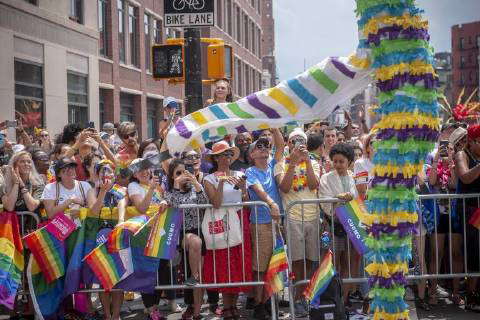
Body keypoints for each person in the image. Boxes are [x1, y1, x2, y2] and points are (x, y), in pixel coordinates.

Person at [203, 141, 252, 320]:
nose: (227, 158)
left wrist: (244, 188)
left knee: (239, 263)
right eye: (224, 154)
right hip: (221, 223)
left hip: (239, 221)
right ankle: (226, 306)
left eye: (230, 154)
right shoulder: (209, 179)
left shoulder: (240, 174)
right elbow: (215, 202)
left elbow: (245, 200)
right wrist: (222, 182)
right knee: (224, 262)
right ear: (216, 158)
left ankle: (234, 306)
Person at [275, 128, 320, 317]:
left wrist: (307, 160)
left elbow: (314, 184)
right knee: (297, 262)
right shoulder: (280, 164)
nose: (298, 144)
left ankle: (310, 297)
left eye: (301, 140)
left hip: (312, 216)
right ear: (288, 143)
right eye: (294, 141)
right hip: (293, 218)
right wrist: (292, 163)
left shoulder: (315, 162)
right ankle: (299, 299)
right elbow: (284, 188)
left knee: (312, 261)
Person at [245, 128, 284, 319]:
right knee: (260, 267)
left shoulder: (272, 165)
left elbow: (281, 146)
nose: (264, 149)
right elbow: (258, 189)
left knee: (274, 265)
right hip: (261, 224)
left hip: (277, 223)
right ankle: (259, 304)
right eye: (259, 147)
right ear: (252, 154)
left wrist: (274, 126)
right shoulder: (250, 171)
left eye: (266, 146)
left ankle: (270, 302)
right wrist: (271, 203)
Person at [163, 158, 208, 320]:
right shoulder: (169, 191)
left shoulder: (196, 188)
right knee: (195, 241)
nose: (182, 176)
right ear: (172, 176)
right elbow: (173, 205)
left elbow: (205, 203)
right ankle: (193, 277)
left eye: (184, 172)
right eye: (178, 173)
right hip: (180, 233)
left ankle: (196, 313)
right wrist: (176, 185)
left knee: (199, 277)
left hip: (198, 230)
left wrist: (196, 182)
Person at [127, 159, 170, 320]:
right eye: (139, 170)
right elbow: (142, 208)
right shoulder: (133, 186)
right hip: (143, 235)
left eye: (146, 168)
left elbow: (164, 201)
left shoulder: (158, 184)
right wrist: (151, 189)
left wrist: (165, 200)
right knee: (147, 271)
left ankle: (155, 308)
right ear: (134, 173)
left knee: (161, 271)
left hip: (161, 232)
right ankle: (151, 309)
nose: (144, 172)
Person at [318, 143, 358, 309]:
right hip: (333, 225)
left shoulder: (353, 177)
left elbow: (358, 197)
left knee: (348, 262)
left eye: (342, 161)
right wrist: (338, 199)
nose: (338, 165)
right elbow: (324, 200)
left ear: (349, 162)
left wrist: (350, 198)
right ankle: (333, 297)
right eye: (335, 161)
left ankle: (346, 297)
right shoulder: (326, 178)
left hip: (352, 225)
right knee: (333, 263)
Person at [86, 160, 127, 320]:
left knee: (118, 280)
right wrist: (102, 192)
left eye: (109, 171)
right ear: (97, 174)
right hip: (98, 238)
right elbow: (93, 211)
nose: (106, 174)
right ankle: (108, 316)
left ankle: (116, 315)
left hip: (117, 236)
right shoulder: (92, 191)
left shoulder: (121, 189)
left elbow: (122, 203)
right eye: (102, 171)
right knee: (103, 279)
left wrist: (121, 220)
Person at [454, 124, 480, 311]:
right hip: (471, 210)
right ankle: (471, 295)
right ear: (471, 142)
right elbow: (465, 177)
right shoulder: (462, 155)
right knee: (474, 252)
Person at [0, 151, 44, 229]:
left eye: (29, 162)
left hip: (32, 230)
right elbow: (9, 207)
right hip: (11, 231)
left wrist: (22, 185)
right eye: (22, 162)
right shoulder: (5, 185)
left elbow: (32, 206)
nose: (26, 164)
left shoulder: (38, 184)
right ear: (14, 166)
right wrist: (16, 183)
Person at [353, 133, 374, 200]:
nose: (376, 145)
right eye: (373, 143)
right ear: (367, 148)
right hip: (365, 206)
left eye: (380, 142)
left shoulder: (387, 165)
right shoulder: (360, 163)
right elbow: (362, 193)